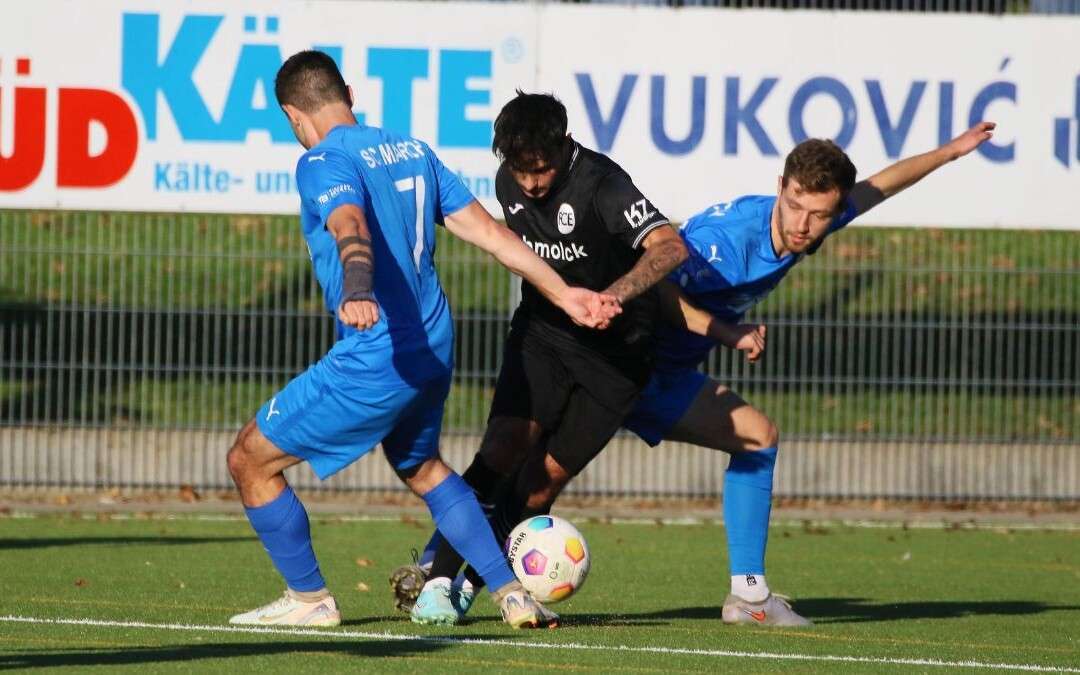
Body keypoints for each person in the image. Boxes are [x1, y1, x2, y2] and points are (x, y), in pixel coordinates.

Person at [396, 119, 997, 627]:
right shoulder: (724, 244)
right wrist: (725, 331)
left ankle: (748, 596)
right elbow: (658, 287)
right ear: (780, 188)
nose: (803, 225)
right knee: (519, 463)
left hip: (663, 376)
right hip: (626, 364)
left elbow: (876, 188)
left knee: (753, 438)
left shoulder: (816, 216)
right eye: (795, 207)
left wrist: (949, 152)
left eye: (819, 215)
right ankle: (444, 572)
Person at [225, 52, 619, 630]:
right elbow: (490, 233)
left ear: (293, 115)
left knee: (249, 459)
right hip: (433, 347)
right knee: (424, 468)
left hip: (376, 354)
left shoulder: (322, 161)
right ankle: (511, 593)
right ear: (349, 94)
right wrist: (566, 294)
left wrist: (357, 285)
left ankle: (309, 599)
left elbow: (349, 225)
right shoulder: (411, 150)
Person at [400, 91, 688, 626]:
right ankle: (438, 578)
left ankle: (477, 586)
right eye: (521, 169)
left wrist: (615, 295)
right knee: (501, 448)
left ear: (564, 145)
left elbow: (670, 246)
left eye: (542, 169)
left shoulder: (603, 184)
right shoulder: (506, 181)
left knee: (541, 481)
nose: (531, 183)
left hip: (618, 358)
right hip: (544, 335)